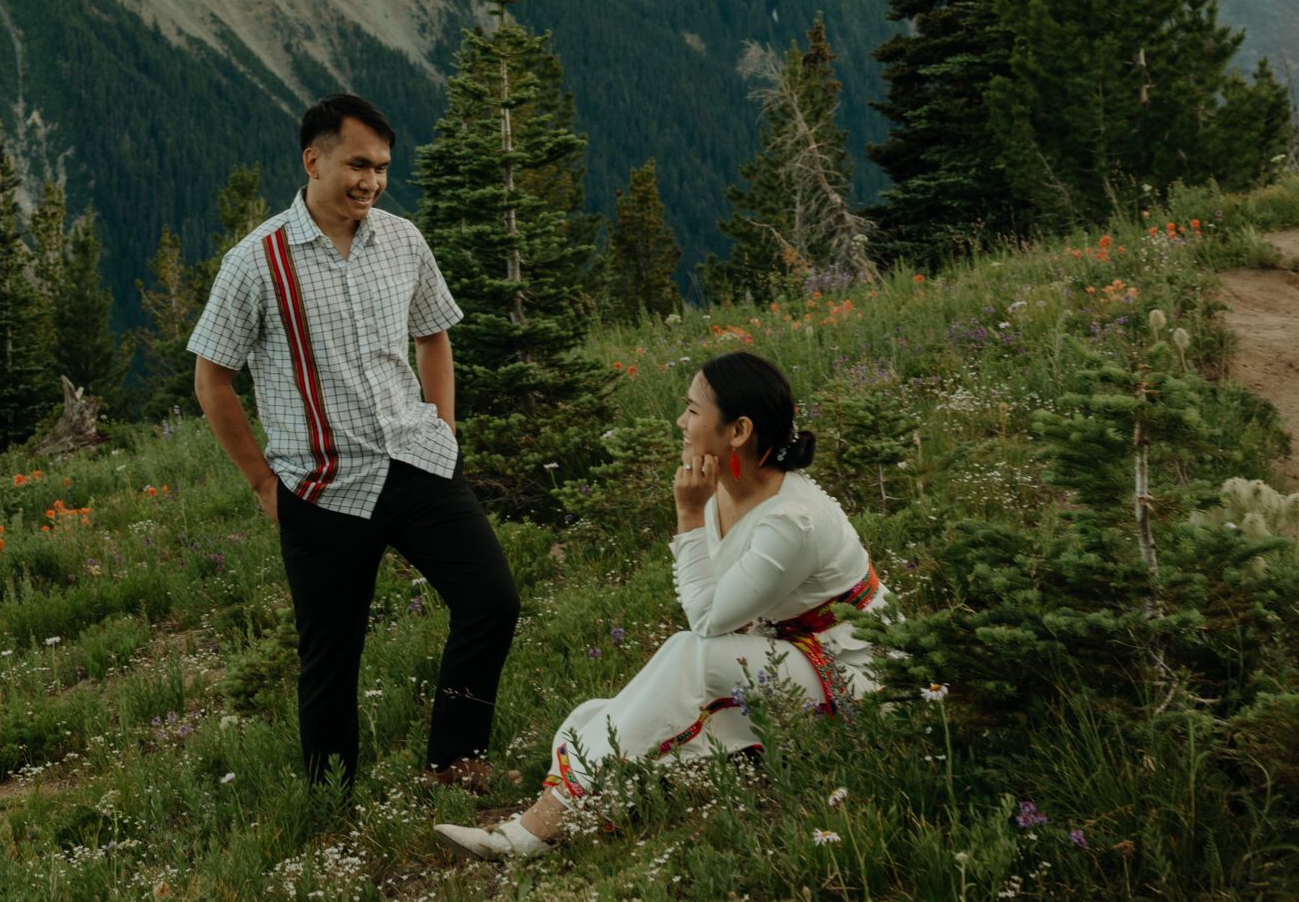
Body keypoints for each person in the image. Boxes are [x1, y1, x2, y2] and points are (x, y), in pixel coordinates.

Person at [188, 92, 521, 796]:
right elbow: (211, 377)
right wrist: (261, 485)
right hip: (320, 485)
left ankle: (454, 758)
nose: (371, 180)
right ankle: (331, 800)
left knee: (491, 599)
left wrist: (444, 430)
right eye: (357, 164)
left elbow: (435, 334)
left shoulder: (403, 239)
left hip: (416, 461)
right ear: (314, 161)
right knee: (331, 658)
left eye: (382, 167)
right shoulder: (257, 261)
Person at [436, 351, 885, 860]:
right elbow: (716, 606)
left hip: (850, 675)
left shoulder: (789, 521)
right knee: (598, 716)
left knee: (688, 653)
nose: (681, 421)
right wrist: (702, 509)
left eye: (693, 410)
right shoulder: (729, 487)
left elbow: (708, 620)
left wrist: (688, 514)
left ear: (738, 431)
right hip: (786, 654)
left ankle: (537, 829)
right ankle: (571, 794)